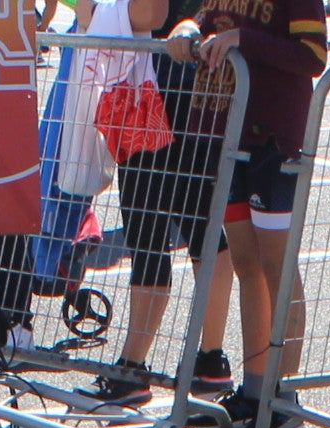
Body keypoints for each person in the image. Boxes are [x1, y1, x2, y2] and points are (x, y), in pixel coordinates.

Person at [169, 0, 322, 428]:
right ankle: (256, 390)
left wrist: (243, 40)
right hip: (228, 131)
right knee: (246, 264)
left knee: (277, 265)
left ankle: (284, 397)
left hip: (275, 138)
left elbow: (313, 55)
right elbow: (202, 21)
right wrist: (184, 30)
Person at [91, 0, 240, 406]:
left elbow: (153, 15)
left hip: (157, 96)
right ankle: (210, 357)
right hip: (179, 93)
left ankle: (134, 366)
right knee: (198, 228)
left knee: (153, 233)